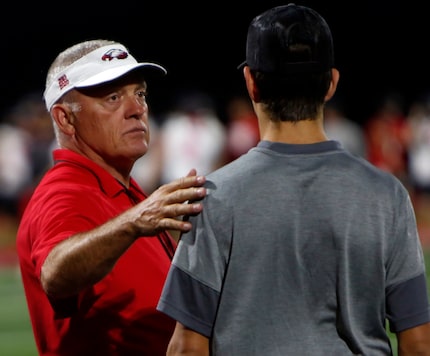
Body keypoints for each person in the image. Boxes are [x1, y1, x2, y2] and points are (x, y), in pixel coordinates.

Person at [157, 4, 430, 355]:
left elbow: (187, 347)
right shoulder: (387, 194)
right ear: (331, 84)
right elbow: (417, 341)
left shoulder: (213, 196)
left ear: (251, 83)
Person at [16, 39, 207, 355]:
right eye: (113, 97)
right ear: (65, 118)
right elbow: (55, 272)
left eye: (140, 94)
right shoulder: (66, 189)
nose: (137, 110)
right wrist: (133, 222)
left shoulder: (122, 190)